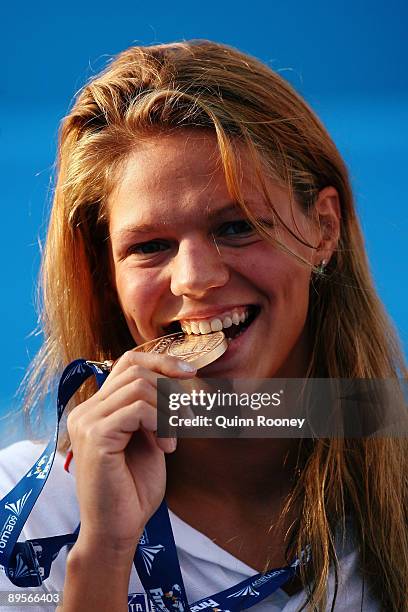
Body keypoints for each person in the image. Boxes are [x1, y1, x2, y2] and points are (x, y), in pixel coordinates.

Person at [0, 40, 407, 612]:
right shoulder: (23, 511)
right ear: (106, 272)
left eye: (237, 226)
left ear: (323, 227)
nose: (193, 280)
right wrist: (104, 554)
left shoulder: (395, 471)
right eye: (150, 246)